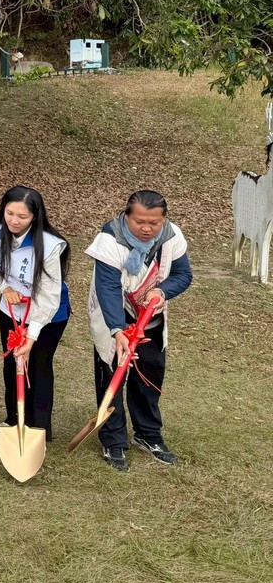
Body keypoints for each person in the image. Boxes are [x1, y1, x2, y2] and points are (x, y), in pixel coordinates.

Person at [87, 189, 192, 471]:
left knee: (150, 374)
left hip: (150, 315)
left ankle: (148, 434)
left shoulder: (171, 236)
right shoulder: (109, 239)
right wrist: (117, 330)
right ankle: (113, 440)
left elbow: (183, 275)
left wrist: (162, 290)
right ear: (126, 217)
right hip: (115, 315)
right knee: (112, 376)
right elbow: (107, 286)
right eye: (139, 222)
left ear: (163, 220)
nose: (146, 229)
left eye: (153, 223)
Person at [0, 186, 71, 440]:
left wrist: (32, 336)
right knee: (12, 363)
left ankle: (38, 429)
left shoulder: (51, 245)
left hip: (47, 314)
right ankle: (14, 419)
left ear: (35, 217)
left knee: (38, 365)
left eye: (22, 217)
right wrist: (4, 288)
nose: (14, 221)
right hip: (11, 309)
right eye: (9, 213)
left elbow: (49, 296)